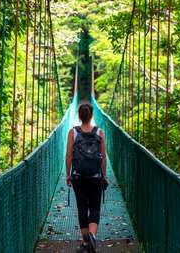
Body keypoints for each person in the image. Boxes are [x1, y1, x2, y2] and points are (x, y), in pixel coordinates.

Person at [66, 103, 108, 253]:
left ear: (79, 115)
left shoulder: (73, 132)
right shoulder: (100, 133)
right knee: (95, 207)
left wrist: (68, 174)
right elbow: (103, 158)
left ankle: (85, 242)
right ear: (91, 116)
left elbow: (69, 155)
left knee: (82, 206)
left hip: (78, 176)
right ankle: (92, 236)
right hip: (95, 176)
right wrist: (104, 175)